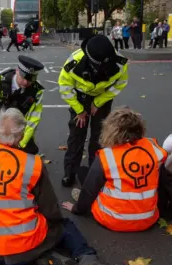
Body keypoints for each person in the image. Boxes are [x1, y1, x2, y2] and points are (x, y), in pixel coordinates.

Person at [0, 108, 113, 265]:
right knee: (65, 226)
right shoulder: (32, 163)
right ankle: (86, 258)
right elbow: (49, 208)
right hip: (23, 246)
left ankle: (42, 256)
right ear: (22, 135)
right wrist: (53, 224)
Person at [62, 107, 168, 232]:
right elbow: (161, 183)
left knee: (83, 172)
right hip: (148, 218)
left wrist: (76, 209)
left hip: (113, 219)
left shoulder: (107, 156)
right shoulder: (154, 149)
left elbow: (90, 189)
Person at [58, 35, 129, 187]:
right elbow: (65, 87)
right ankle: (70, 172)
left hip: (102, 98)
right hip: (79, 98)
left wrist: (98, 102)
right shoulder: (74, 62)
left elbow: (120, 84)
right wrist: (80, 110)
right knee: (77, 134)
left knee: (99, 135)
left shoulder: (119, 63)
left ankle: (94, 171)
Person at [0, 55, 44, 154]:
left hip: (17, 130)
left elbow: (32, 122)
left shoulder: (36, 92)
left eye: (30, 80)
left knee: (31, 150)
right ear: (17, 70)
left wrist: (20, 144)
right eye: (23, 78)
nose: (26, 82)